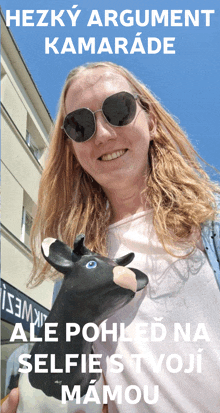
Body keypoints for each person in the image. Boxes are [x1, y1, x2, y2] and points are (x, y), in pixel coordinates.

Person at [2, 61, 220, 413]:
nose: (102, 133)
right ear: (72, 148)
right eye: (80, 125)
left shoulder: (213, 221)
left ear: (152, 121)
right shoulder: (75, 277)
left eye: (119, 109)